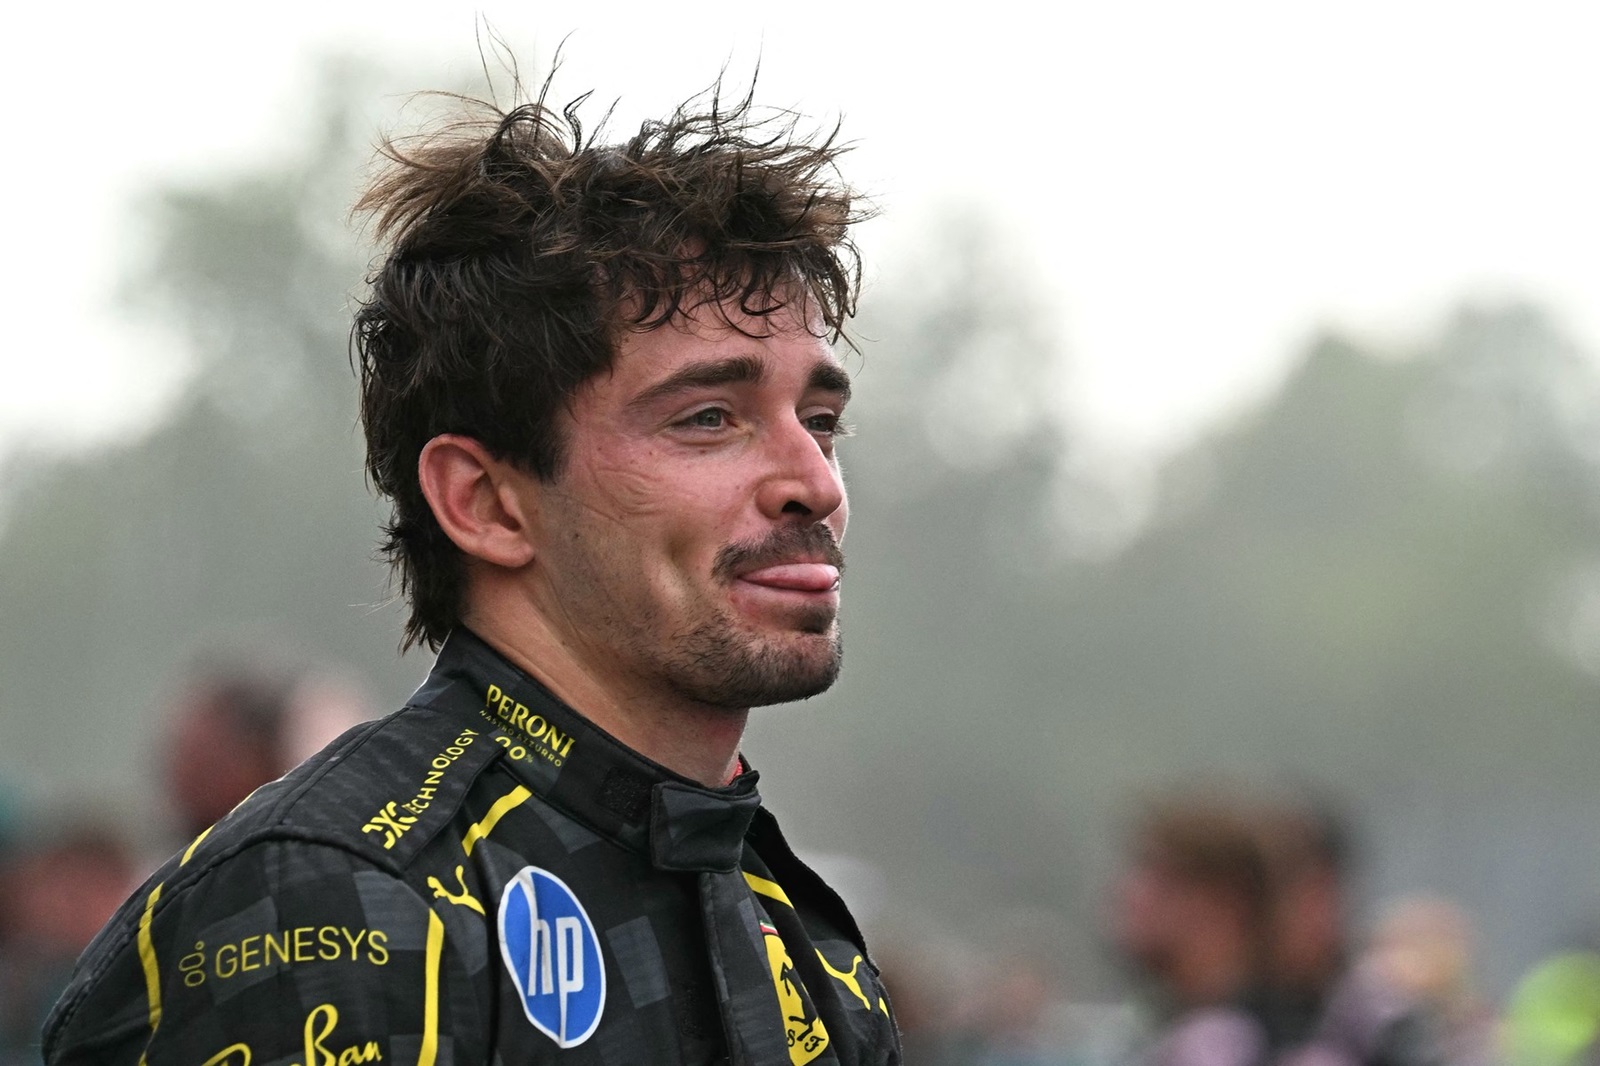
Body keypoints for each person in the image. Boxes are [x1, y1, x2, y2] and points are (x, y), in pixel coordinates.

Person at [43, 74, 899, 1066]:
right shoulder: (331, 899)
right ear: (485, 503)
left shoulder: (805, 937)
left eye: (822, 422)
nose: (814, 483)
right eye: (708, 418)